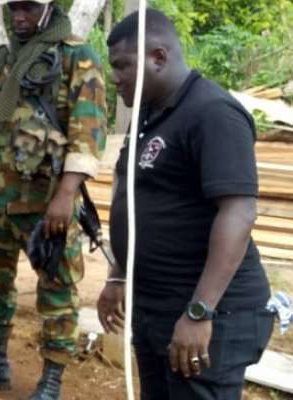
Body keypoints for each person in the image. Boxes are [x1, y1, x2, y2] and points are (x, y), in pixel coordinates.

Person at [97, 9, 274, 400]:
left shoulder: (213, 113)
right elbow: (141, 200)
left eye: (123, 65)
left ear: (158, 58)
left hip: (209, 312)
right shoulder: (148, 114)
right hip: (155, 305)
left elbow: (239, 212)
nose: (115, 77)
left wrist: (199, 311)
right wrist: (118, 274)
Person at [0, 0, 107, 398]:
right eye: (14, 8)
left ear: (50, 8)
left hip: (45, 203)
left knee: (56, 289)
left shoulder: (76, 57)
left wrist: (67, 194)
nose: (19, 16)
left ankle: (51, 379)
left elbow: (88, 129)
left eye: (29, 8)